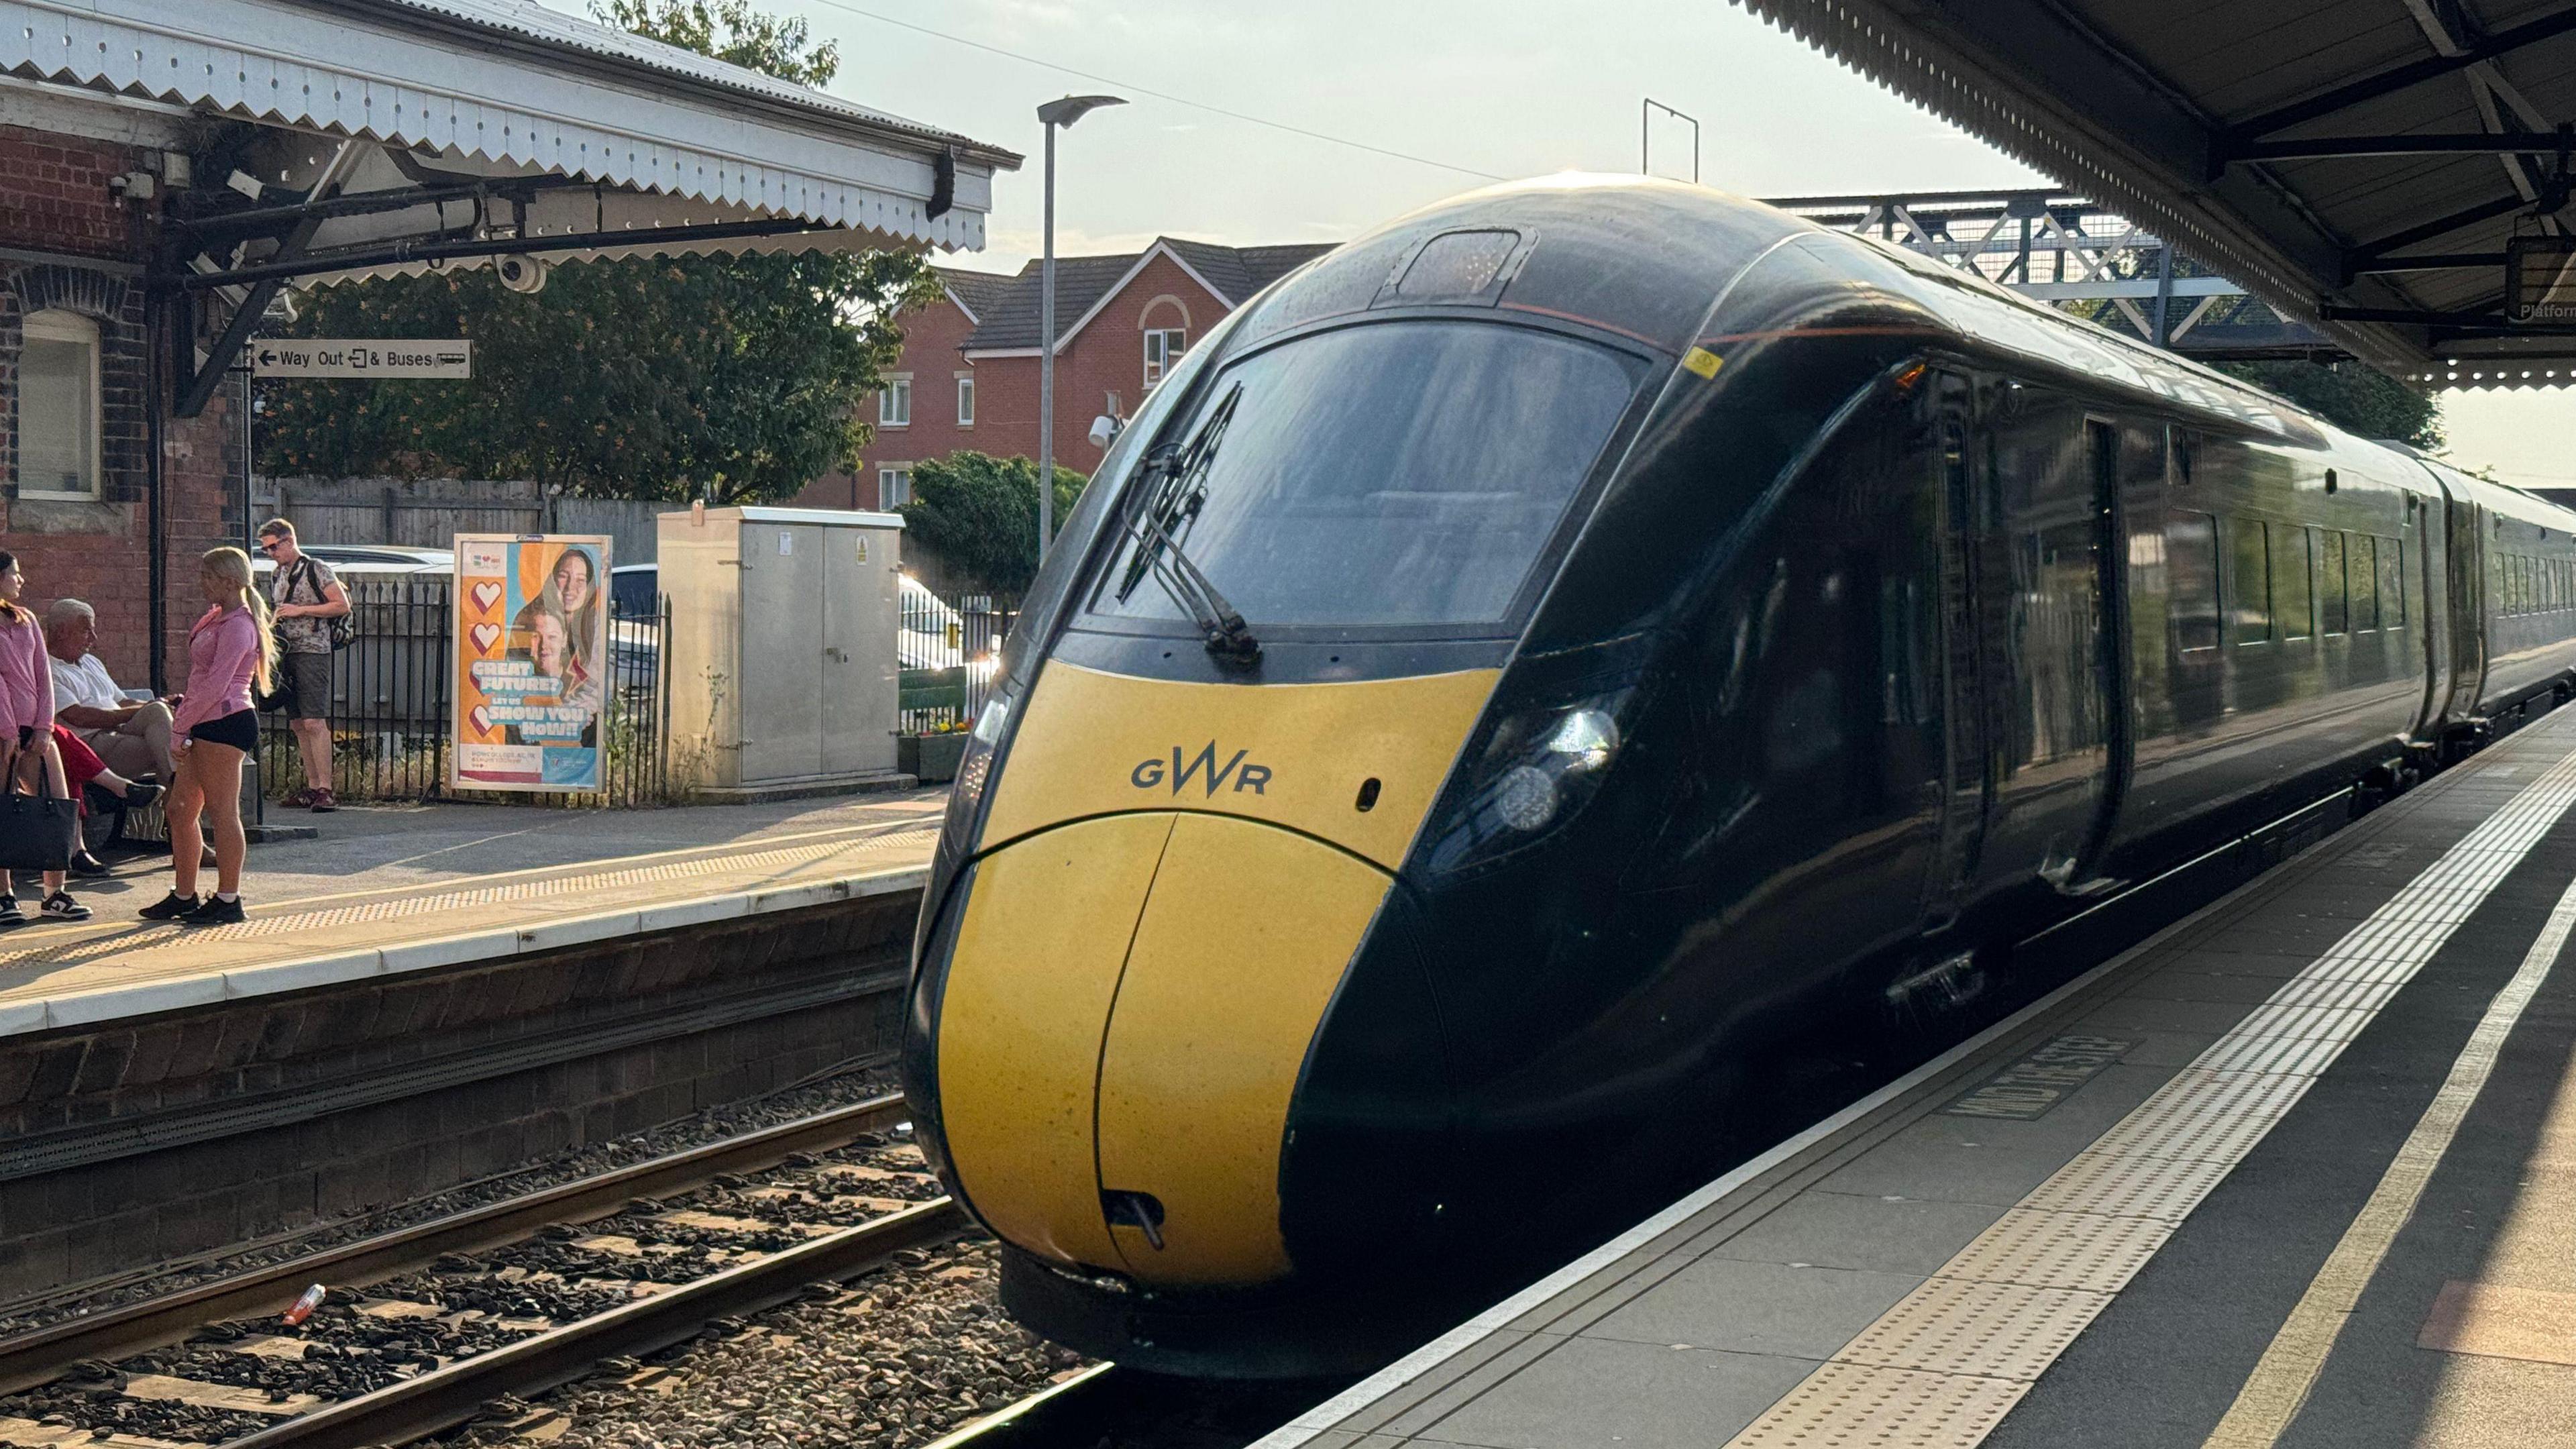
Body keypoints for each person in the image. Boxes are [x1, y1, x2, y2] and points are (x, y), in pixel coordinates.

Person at [146, 547, 276, 926]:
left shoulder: (239, 625)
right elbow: (203, 679)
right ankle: (185, 895)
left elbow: (219, 683)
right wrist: (187, 714)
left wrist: (180, 726)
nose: (201, 582)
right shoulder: (217, 618)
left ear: (230, 581)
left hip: (225, 721)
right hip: (206, 718)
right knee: (180, 809)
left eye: (208, 576)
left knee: (222, 812)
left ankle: (228, 898)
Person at [0, 549, 89, 925]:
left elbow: (43, 675)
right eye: (14, 574)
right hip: (3, 731)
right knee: (3, 811)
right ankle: (4, 893)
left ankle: (55, 893)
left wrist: (43, 727)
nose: (20, 580)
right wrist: (7, 734)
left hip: (35, 729)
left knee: (57, 804)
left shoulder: (27, 619)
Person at [257, 518, 348, 812]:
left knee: (314, 721)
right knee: (297, 723)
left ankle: (326, 788)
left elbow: (341, 604)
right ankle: (312, 785)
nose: (270, 553)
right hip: (287, 651)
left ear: (288, 541)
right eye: (266, 549)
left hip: (313, 649)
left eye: (273, 547)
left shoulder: (316, 568)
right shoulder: (277, 574)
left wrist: (301, 611)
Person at [45, 598, 180, 785]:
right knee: (175, 748)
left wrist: (162, 703)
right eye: (86, 631)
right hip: (91, 744)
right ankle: (180, 794)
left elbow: (122, 702)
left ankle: (177, 794)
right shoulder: (48, 670)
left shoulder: (92, 662)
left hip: (121, 733)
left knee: (169, 730)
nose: (94, 638)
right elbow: (79, 717)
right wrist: (144, 710)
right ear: (61, 632)